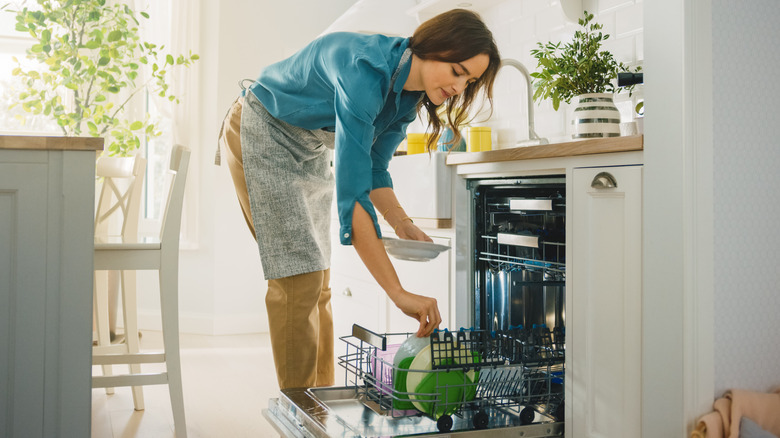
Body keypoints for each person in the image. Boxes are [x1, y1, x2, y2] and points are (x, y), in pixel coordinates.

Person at [216, 8, 501, 390]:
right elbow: (353, 196)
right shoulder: (364, 71)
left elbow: (373, 169)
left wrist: (402, 222)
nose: (459, 88)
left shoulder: (408, 98)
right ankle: (299, 415)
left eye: (469, 81)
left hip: (307, 145)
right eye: (457, 71)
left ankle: (320, 406)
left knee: (318, 282)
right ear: (434, 46)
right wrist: (397, 292)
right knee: (297, 281)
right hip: (263, 128)